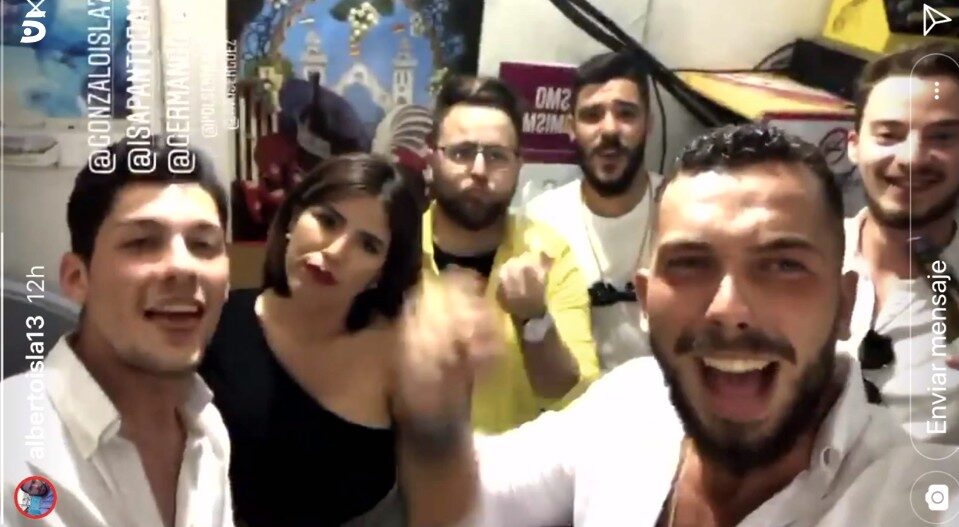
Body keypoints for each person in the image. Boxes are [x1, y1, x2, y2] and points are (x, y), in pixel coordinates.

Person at [421, 123, 959, 526]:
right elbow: (469, 490)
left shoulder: (917, 499)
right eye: (691, 264)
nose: (729, 308)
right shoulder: (632, 402)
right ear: (646, 299)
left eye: (782, 265)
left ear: (844, 306)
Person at [200, 153, 495, 527]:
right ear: (292, 219)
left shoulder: (403, 354)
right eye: (327, 221)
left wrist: (444, 410)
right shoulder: (214, 323)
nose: (337, 251)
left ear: (381, 272)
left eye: (368, 245)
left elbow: (445, 509)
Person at [1, 138, 235, 527]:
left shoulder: (206, 430)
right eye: (142, 242)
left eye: (203, 244)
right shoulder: (13, 451)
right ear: (77, 278)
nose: (183, 267)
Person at [425, 75, 600, 433]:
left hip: (511, 466)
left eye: (496, 156)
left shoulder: (550, 254)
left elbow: (572, 397)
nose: (478, 170)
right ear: (432, 158)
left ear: (520, 164)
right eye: (461, 152)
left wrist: (535, 320)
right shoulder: (393, 248)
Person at [842, 42, 959, 444]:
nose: (912, 158)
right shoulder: (796, 262)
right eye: (889, 135)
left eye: (942, 137)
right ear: (854, 144)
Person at [526, 50, 661, 372]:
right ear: (571, 127)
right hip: (573, 397)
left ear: (649, 124)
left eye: (626, 114)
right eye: (592, 115)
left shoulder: (681, 210)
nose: (610, 129)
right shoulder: (540, 220)